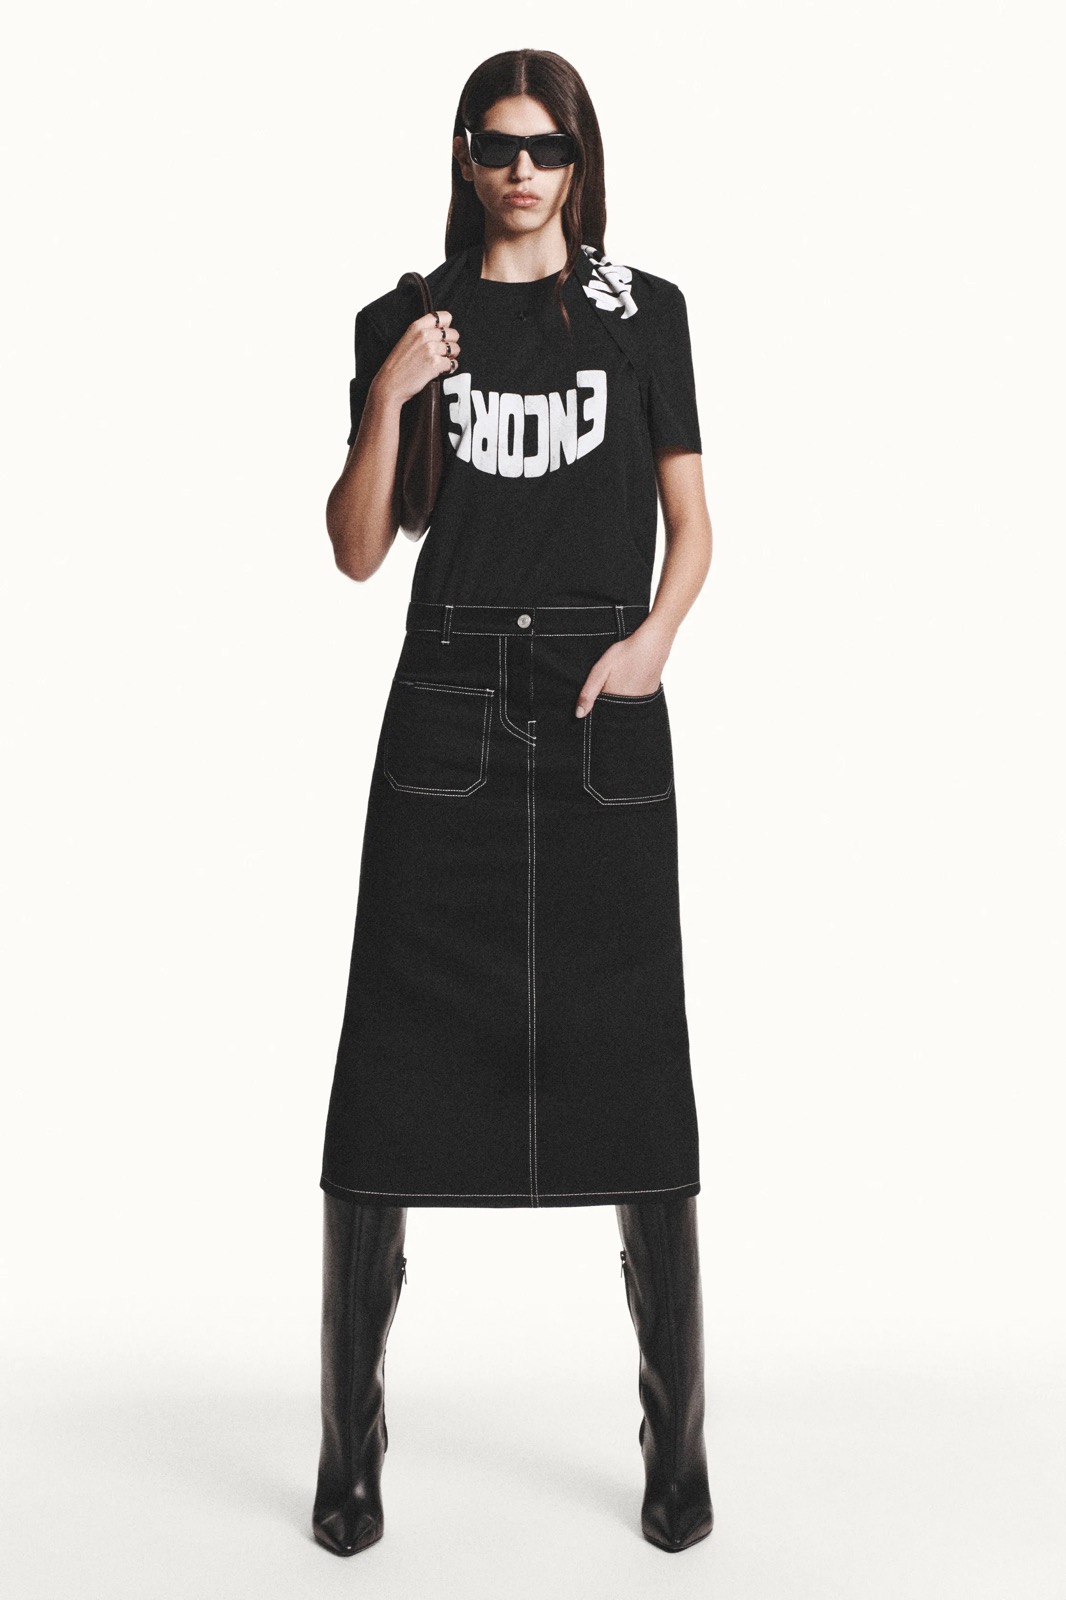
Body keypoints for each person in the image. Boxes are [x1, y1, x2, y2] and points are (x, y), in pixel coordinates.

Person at [313, 47, 715, 1558]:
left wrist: (653, 639)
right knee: (387, 1066)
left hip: (603, 704)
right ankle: (349, 1451)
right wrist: (386, 400)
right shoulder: (406, 320)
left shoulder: (643, 312)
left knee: (638, 1061)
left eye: (547, 146)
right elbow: (360, 550)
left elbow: (694, 524)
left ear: (580, 160)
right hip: (448, 708)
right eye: (497, 145)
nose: (523, 170)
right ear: (466, 159)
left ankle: (677, 1448)